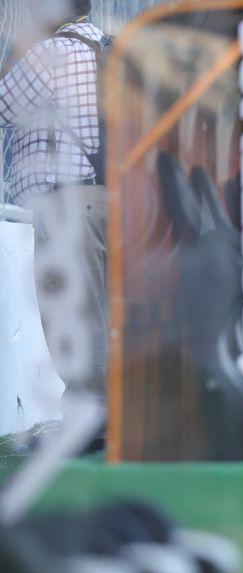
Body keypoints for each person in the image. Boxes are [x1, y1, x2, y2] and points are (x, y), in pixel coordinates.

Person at [0, 0, 110, 439]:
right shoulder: (105, 47)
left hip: (67, 205)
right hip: (107, 196)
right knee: (105, 311)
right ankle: (114, 414)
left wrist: (16, 48)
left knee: (74, 316)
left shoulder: (53, 51)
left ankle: (92, 422)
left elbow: (3, 107)